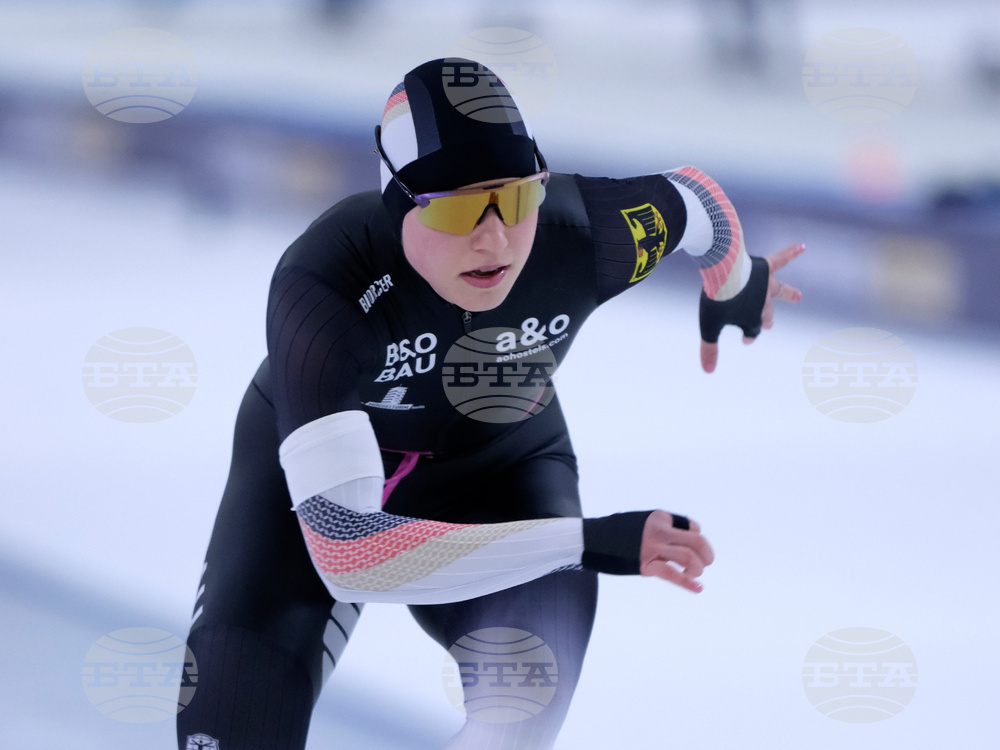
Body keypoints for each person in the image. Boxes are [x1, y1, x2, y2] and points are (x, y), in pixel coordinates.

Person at [176, 58, 803, 750]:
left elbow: (698, 201)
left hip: (501, 474)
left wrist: (736, 283)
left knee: (515, 726)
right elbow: (348, 553)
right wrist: (587, 541)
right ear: (397, 205)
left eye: (517, 199)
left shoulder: (585, 233)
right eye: (456, 208)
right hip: (310, 495)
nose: (495, 237)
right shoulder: (326, 279)